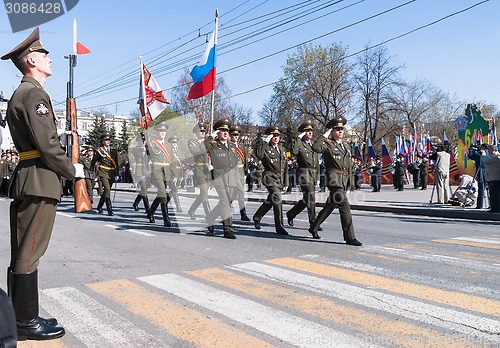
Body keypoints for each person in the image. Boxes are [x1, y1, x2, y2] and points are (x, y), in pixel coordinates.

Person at [2, 27, 85, 340]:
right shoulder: (35, 94)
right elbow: (47, 144)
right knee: (29, 252)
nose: (50, 60)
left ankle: (22, 317)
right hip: (39, 180)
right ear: (31, 61)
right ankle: (24, 322)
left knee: (25, 250)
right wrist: (72, 169)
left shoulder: (21, 93)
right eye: (45, 56)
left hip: (30, 177)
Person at [309, 116, 362, 246]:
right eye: (337, 129)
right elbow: (315, 148)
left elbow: (349, 166)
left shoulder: (346, 146)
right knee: (344, 205)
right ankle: (350, 237)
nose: (340, 131)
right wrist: (324, 135)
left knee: (330, 205)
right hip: (334, 179)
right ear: (332, 131)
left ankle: (314, 226)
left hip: (343, 181)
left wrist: (350, 184)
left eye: (341, 129)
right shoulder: (327, 144)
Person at [204, 118, 240, 239]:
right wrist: (211, 136)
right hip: (219, 176)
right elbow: (203, 148)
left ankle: (210, 217)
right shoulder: (213, 145)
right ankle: (228, 229)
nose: (225, 133)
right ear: (218, 133)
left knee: (226, 202)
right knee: (225, 201)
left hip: (230, 177)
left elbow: (235, 161)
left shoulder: (232, 146)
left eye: (227, 131)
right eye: (222, 131)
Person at [252, 126, 290, 235]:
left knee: (271, 200)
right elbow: (258, 155)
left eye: (278, 135)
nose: (276, 137)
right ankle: (279, 226)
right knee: (277, 198)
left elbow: (285, 166)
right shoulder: (265, 148)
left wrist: (286, 182)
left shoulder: (282, 149)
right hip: (269, 176)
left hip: (279, 178)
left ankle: (257, 217)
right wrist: (264, 142)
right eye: (273, 135)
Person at [286, 120, 319, 228]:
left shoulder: (313, 145)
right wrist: (298, 138)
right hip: (304, 173)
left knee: (307, 199)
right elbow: (294, 152)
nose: (309, 133)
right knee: (311, 196)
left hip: (313, 174)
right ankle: (314, 222)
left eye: (311, 131)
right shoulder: (299, 143)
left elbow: (316, 162)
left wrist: (318, 177)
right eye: (307, 131)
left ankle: (291, 213)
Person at [146, 124, 173, 227]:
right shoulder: (152, 144)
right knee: (162, 193)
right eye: (160, 131)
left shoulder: (168, 145)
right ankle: (166, 219)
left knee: (160, 195)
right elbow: (146, 159)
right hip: (156, 170)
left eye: (164, 131)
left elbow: (171, 160)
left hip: (166, 170)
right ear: (156, 132)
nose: (162, 133)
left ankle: (150, 213)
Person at [187, 122, 212, 220]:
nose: (202, 133)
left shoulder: (208, 143)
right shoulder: (192, 142)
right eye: (200, 131)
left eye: (203, 131)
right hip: (199, 169)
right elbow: (196, 151)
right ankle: (209, 216)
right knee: (204, 191)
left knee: (203, 194)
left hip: (208, 170)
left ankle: (191, 210)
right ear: (196, 132)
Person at [91, 133, 118, 215]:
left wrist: (117, 173)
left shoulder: (113, 151)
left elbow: (116, 162)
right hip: (103, 171)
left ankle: (99, 206)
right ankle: (109, 209)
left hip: (111, 172)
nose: (108, 141)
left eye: (109, 140)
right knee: (107, 189)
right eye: (106, 140)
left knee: (107, 190)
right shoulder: (99, 151)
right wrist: (91, 170)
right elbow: (94, 161)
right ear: (103, 141)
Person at [229, 125, 251, 221]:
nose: (236, 137)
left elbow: (244, 158)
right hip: (232, 172)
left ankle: (243, 214)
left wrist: (246, 170)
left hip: (241, 172)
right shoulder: (229, 146)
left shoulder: (241, 146)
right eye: (233, 135)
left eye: (237, 135)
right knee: (238, 192)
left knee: (237, 194)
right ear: (230, 136)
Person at [130, 134, 150, 213]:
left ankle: (136, 203)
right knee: (144, 189)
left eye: (144, 140)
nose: (143, 142)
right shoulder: (135, 150)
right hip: (138, 170)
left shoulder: (148, 149)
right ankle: (148, 208)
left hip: (146, 171)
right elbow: (132, 159)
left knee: (144, 189)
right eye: (141, 141)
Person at [467, 144, 487, 208]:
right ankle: (490, 205)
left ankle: (480, 205)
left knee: (481, 188)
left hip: (481, 171)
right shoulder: (488, 154)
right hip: (487, 172)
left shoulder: (479, 154)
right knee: (487, 188)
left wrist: (471, 150)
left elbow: (470, 156)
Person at [482, 144, 500, 213]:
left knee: (494, 194)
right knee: (493, 194)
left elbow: (485, 160)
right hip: (493, 178)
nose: (488, 151)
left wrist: (483, 153)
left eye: (489, 150)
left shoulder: (496, 156)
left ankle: (495, 208)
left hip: (495, 178)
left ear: (493, 150)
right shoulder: (494, 157)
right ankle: (495, 208)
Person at [168, 135, 183, 212]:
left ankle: (165, 202)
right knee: (174, 189)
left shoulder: (178, 152)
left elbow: (181, 164)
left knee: (174, 190)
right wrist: (173, 175)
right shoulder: (169, 153)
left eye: (176, 143)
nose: (175, 144)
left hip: (178, 173)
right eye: (173, 143)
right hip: (172, 174)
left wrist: (182, 174)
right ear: (170, 144)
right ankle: (178, 207)